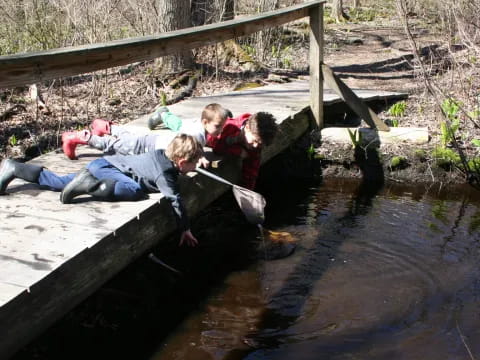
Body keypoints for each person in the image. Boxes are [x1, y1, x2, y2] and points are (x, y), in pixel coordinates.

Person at [0, 134, 203, 246]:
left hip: (101, 164)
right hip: (106, 170)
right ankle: (90, 185)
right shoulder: (165, 174)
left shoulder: (160, 156)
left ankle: (15, 168)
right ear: (182, 162)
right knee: (135, 191)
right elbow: (175, 199)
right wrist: (185, 228)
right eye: (193, 165)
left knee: (57, 182)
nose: (195, 168)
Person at [61, 103, 230, 168]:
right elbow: (189, 146)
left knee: (126, 138)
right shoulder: (196, 135)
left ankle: (103, 126)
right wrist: (199, 156)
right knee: (112, 146)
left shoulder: (199, 128)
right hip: (146, 147)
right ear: (205, 122)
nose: (220, 130)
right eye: (218, 126)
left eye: (222, 126)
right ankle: (77, 137)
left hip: (150, 142)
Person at [208, 112, 278, 190]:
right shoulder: (228, 128)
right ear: (247, 128)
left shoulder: (256, 145)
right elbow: (217, 148)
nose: (255, 146)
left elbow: (252, 170)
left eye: (260, 144)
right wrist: (238, 151)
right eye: (255, 141)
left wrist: (248, 190)